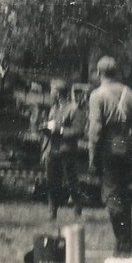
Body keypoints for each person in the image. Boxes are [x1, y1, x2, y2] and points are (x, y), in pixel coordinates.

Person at [87, 56, 132, 256]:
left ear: (99, 73)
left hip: (109, 150)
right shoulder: (131, 94)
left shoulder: (97, 95)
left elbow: (95, 130)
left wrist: (92, 156)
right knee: (123, 195)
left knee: (111, 196)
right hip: (128, 149)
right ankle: (125, 241)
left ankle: (123, 242)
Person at [43, 79, 85, 220]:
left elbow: (79, 131)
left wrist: (60, 130)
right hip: (53, 150)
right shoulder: (53, 109)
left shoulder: (74, 109)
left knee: (71, 181)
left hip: (67, 151)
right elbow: (50, 126)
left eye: (52, 90)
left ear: (59, 93)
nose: (50, 93)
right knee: (51, 182)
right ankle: (52, 211)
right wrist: (45, 128)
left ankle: (77, 209)